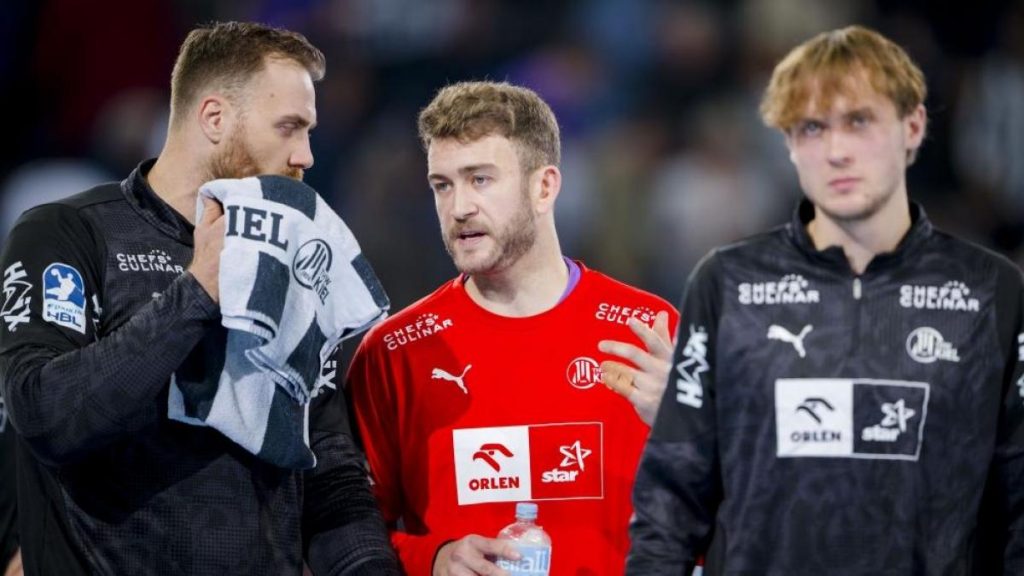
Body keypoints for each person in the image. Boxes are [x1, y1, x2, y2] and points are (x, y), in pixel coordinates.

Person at [0, 21, 399, 575]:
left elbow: (327, 466)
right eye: (289, 127)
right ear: (214, 118)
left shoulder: (298, 260)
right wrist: (198, 290)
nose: (305, 154)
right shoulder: (67, 233)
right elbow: (45, 415)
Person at [626, 25, 1024, 575]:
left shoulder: (991, 290)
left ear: (913, 126)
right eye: (811, 128)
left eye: (858, 121)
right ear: (788, 143)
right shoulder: (727, 284)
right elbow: (672, 498)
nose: (836, 151)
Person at [346, 81, 679, 575]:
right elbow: (344, 534)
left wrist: (688, 434)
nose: (458, 207)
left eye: (480, 179)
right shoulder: (394, 352)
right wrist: (431, 559)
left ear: (544, 186)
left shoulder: (650, 332)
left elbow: (730, 522)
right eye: (443, 185)